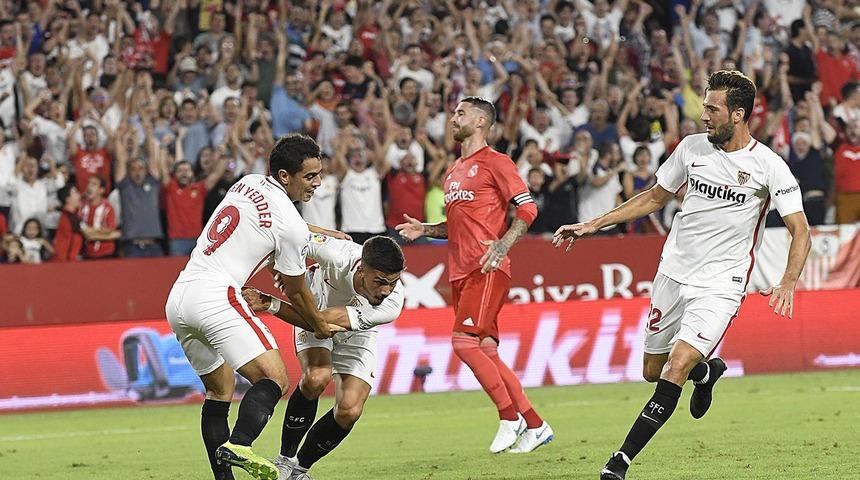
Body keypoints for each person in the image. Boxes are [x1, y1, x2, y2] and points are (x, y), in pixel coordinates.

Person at [552, 71, 811, 480]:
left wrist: (788, 281)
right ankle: (706, 372)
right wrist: (592, 224)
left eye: (712, 108)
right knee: (652, 372)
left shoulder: (768, 166)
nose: (702, 115)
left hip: (720, 285)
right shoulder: (691, 148)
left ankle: (619, 462)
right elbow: (655, 197)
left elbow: (801, 230)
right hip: (672, 274)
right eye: (703, 106)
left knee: (674, 367)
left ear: (738, 114)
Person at [165, 134, 345, 480]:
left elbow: (276, 224)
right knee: (275, 378)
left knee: (219, 391)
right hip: (217, 294)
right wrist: (319, 325)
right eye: (309, 176)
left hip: (180, 296)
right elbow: (296, 289)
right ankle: (241, 444)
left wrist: (323, 233)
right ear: (284, 176)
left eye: (318, 174)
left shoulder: (247, 182)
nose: (317, 183)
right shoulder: (289, 223)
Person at [395, 97, 553, 454]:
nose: (453, 118)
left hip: (487, 267)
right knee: (485, 348)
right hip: (460, 271)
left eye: (461, 113)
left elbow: (527, 208)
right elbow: (457, 225)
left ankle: (508, 417)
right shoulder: (453, 170)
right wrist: (426, 229)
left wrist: (503, 246)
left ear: (481, 121)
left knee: (463, 342)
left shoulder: (496, 162)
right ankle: (536, 425)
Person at [241, 234, 405, 480]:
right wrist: (284, 270)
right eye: (380, 281)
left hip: (347, 330)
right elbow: (285, 235)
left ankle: (299, 470)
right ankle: (285, 459)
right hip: (313, 303)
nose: (385, 290)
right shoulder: (336, 253)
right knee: (316, 378)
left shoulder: (391, 303)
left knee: (349, 410)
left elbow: (322, 323)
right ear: (361, 268)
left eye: (392, 282)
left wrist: (271, 304)